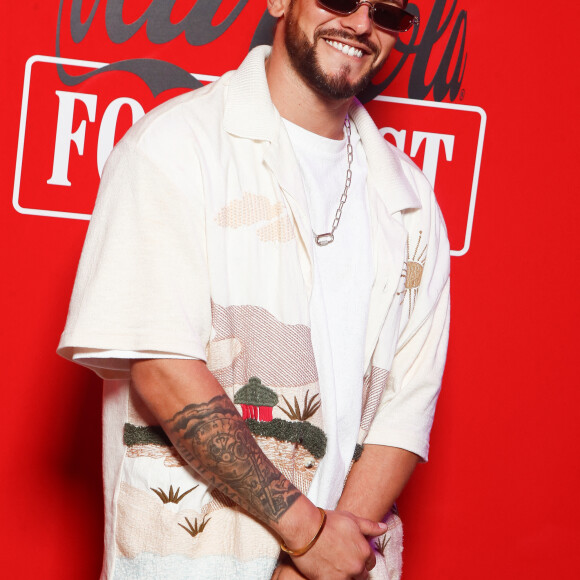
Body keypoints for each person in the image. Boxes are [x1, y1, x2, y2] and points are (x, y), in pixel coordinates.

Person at [58, 1, 450, 579]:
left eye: (388, 11)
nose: (362, 25)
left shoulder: (411, 197)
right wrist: (307, 535)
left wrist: (317, 563)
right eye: (340, 0)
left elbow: (405, 407)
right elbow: (162, 367)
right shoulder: (173, 146)